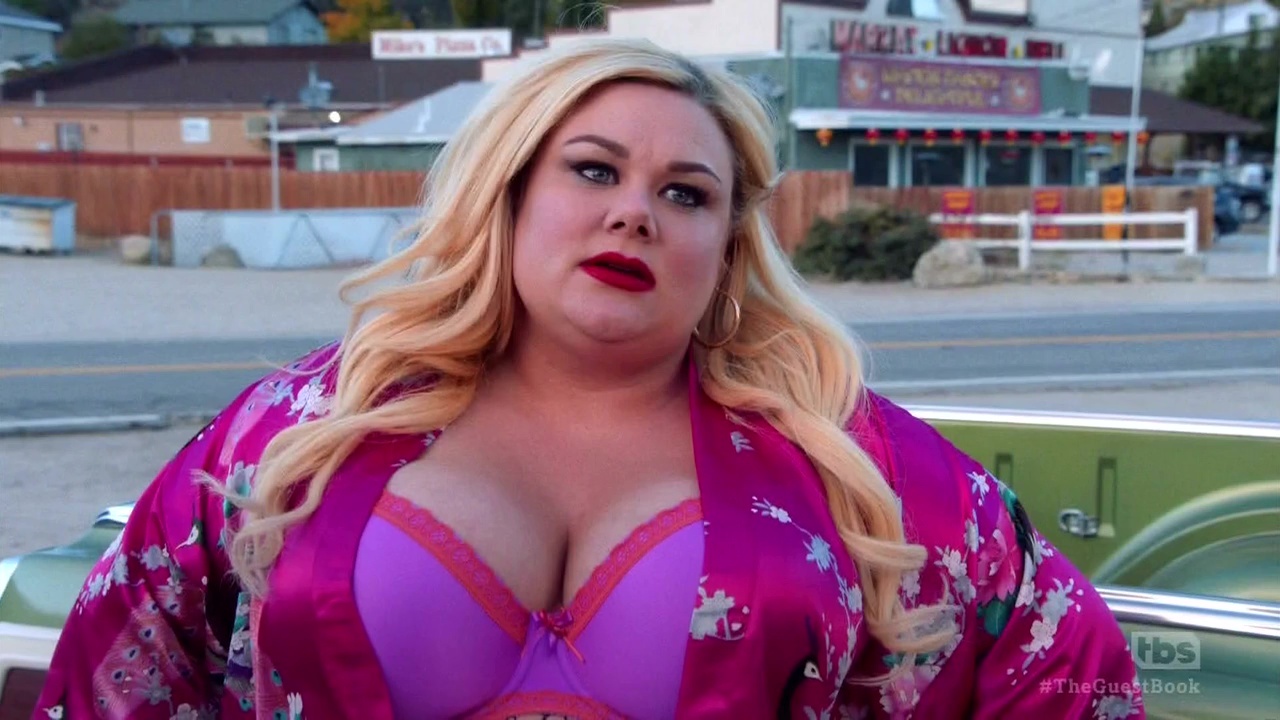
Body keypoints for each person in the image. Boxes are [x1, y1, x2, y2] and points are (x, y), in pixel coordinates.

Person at [34, 38, 1144, 720]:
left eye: (685, 193)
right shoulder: (300, 430)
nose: (634, 213)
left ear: (724, 249)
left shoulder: (850, 460)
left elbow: (1069, 673)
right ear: (511, 194)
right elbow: (116, 668)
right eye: (595, 170)